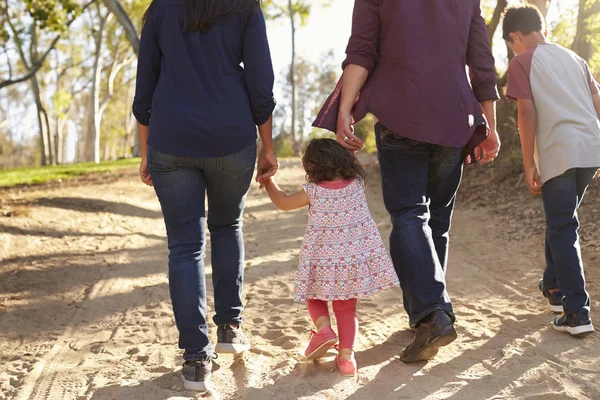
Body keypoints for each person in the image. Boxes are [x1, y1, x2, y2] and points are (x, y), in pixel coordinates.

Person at [312, 0, 500, 362]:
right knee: (437, 222)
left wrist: (345, 111)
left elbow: (362, 50)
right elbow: (481, 60)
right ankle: (426, 311)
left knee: (409, 213)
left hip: (401, 111)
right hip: (454, 116)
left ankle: (432, 313)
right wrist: (487, 123)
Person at [132, 0, 278, 391]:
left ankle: (196, 360)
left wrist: (147, 150)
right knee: (227, 225)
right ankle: (230, 329)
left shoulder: (161, 9)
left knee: (184, 246)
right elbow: (260, 81)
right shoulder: (245, 7)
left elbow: (145, 85)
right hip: (231, 138)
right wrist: (267, 144)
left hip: (171, 139)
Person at [261, 139, 399, 377]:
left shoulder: (313, 192)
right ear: (345, 161)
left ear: (312, 167)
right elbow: (352, 159)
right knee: (346, 309)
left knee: (313, 295)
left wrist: (268, 181)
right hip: (352, 261)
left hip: (322, 260)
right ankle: (346, 358)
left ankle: (324, 330)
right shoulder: (357, 184)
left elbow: (283, 202)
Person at [504, 5, 600, 336]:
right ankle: (554, 288)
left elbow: (526, 114)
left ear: (515, 36)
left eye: (510, 43)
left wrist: (530, 163)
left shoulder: (521, 62)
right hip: (590, 149)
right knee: (560, 220)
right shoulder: (575, 59)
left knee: (562, 227)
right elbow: (598, 101)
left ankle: (577, 313)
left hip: (559, 151)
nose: (512, 49)